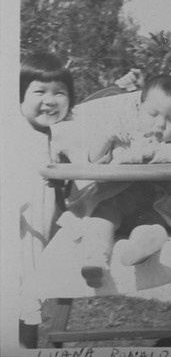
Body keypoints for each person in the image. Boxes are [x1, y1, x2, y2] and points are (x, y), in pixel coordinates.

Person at [60, 74, 171, 288]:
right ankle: (96, 261)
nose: (160, 124)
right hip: (112, 199)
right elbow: (92, 159)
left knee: (153, 227)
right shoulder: (124, 135)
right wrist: (107, 138)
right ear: (139, 108)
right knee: (98, 221)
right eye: (153, 114)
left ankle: (139, 248)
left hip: (152, 206)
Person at [18, 51, 75, 348]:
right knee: (21, 297)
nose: (50, 100)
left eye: (59, 93)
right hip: (21, 230)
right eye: (39, 91)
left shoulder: (62, 136)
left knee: (32, 302)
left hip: (45, 229)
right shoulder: (16, 134)